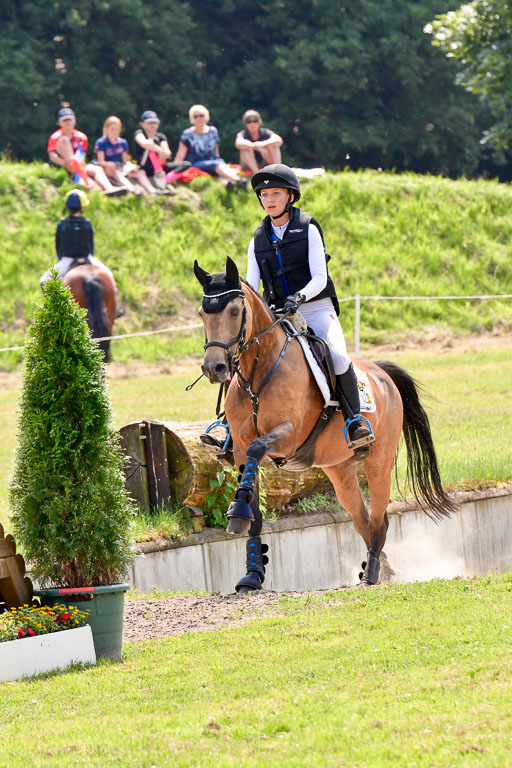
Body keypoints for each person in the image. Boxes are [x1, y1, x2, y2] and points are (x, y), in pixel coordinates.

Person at [246, 164, 373, 457]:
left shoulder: (308, 228)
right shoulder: (257, 239)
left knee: (339, 356)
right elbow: (252, 287)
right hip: (277, 316)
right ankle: (227, 426)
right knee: (244, 356)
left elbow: (320, 277)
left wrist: (299, 296)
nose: (269, 200)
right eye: (264, 195)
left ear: (290, 196)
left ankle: (355, 421)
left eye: (276, 193)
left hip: (315, 308)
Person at [40, 189, 115, 286]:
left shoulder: (62, 224)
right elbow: (91, 245)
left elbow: (58, 246)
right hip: (87, 257)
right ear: (82, 207)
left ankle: (53, 301)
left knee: (44, 281)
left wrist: (61, 259)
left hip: (67, 259)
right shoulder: (87, 223)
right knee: (109, 276)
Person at [47, 108, 126, 196]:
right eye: (65, 120)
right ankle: (79, 177)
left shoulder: (81, 137)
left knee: (97, 169)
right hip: (63, 164)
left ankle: (109, 189)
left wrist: (77, 164)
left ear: (74, 120)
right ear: (60, 122)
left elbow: (82, 156)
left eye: (69, 119)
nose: (68, 122)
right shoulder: (55, 137)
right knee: (65, 141)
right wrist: (66, 163)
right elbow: (52, 155)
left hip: (77, 164)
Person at [174, 105, 247, 188]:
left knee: (218, 169)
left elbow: (216, 150)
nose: (198, 118)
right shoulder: (187, 134)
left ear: (206, 116)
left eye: (201, 115)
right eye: (195, 116)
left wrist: (219, 160)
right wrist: (174, 171)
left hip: (215, 161)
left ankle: (227, 185)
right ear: (192, 119)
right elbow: (180, 154)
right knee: (216, 165)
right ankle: (238, 180)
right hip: (197, 163)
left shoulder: (213, 131)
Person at [133, 110, 190, 195]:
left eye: (154, 122)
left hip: (160, 167)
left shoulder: (161, 136)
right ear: (142, 124)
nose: (152, 125)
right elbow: (144, 143)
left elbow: (167, 152)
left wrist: (163, 153)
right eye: (149, 123)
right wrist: (159, 150)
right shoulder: (139, 133)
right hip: (145, 167)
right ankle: (156, 187)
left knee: (186, 165)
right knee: (151, 143)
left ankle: (166, 180)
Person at [93, 116, 146, 195]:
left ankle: (151, 191)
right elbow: (101, 162)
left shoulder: (123, 142)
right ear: (107, 129)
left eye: (117, 129)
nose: (115, 132)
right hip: (108, 168)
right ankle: (132, 190)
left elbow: (125, 161)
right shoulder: (101, 142)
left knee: (139, 172)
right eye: (112, 129)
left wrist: (130, 167)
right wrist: (111, 164)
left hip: (121, 167)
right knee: (116, 172)